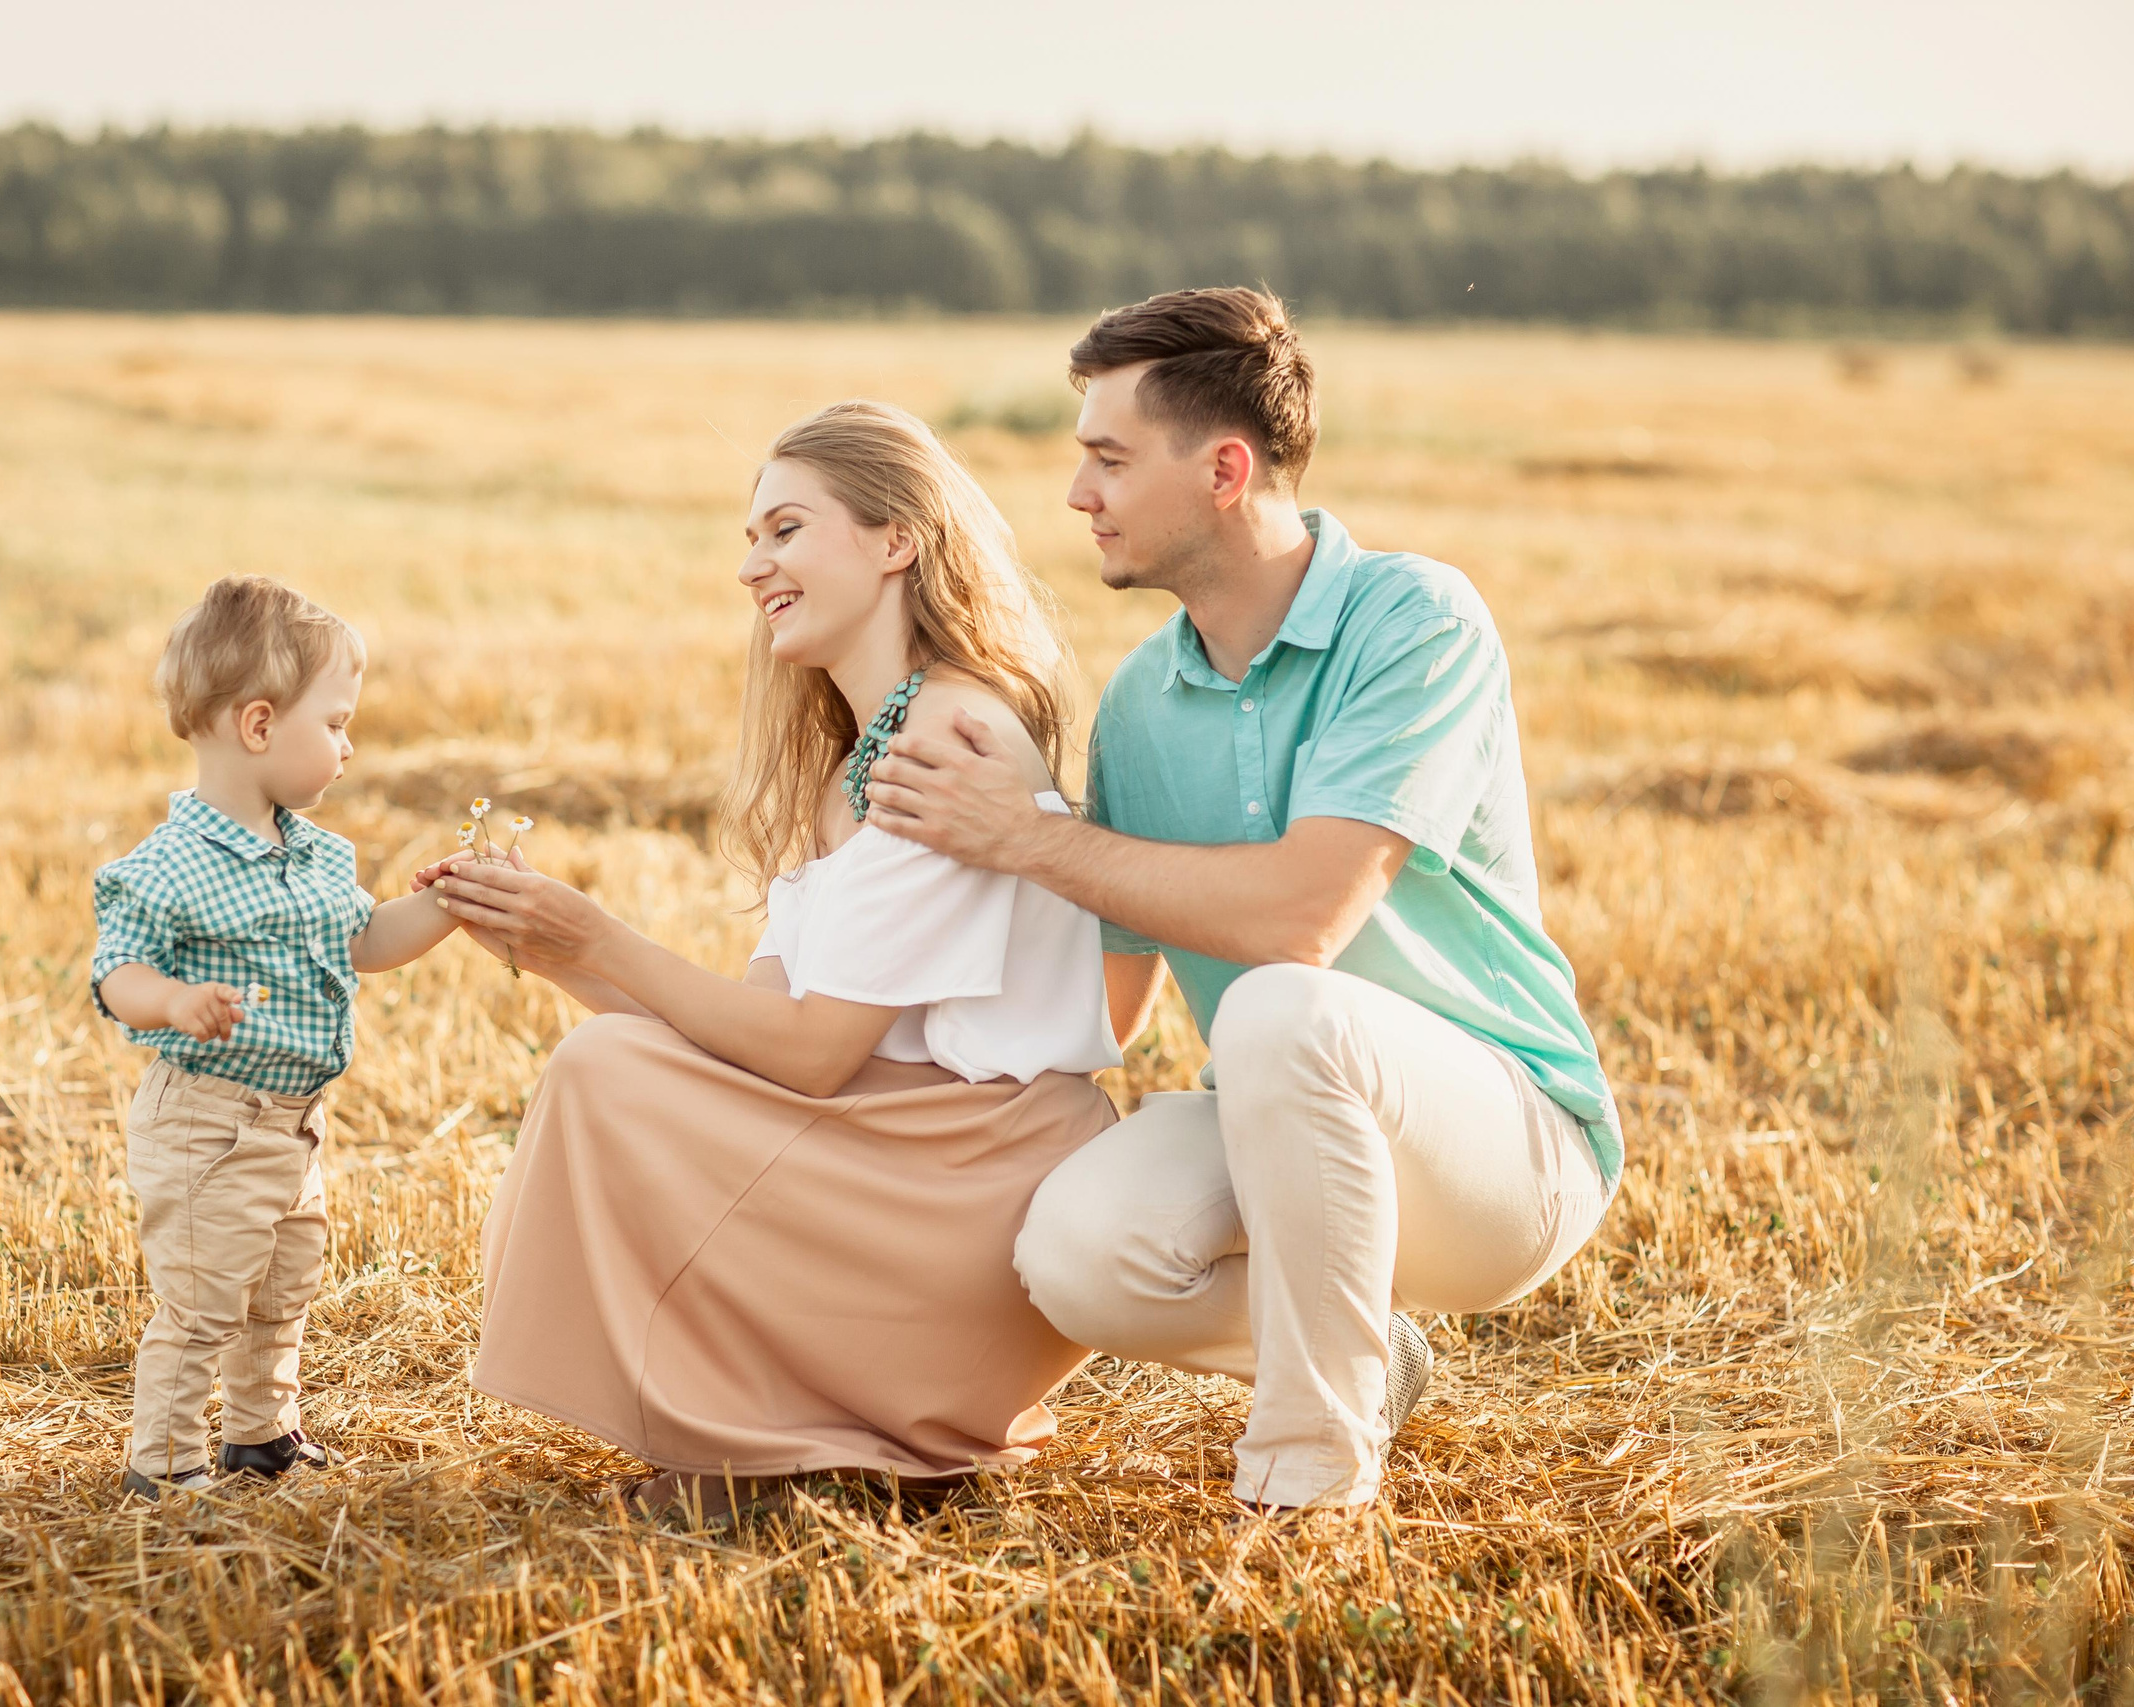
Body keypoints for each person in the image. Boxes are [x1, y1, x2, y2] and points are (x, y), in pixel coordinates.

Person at [864, 288, 1620, 1514]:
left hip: (1506, 1151)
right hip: (1287, 1129)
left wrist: (1029, 841)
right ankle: (1367, 1355)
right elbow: (1101, 1004)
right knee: (1075, 1253)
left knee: (1278, 1003)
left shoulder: (1416, 618)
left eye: (1107, 458)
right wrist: (868, 987)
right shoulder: (1140, 706)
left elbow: (1299, 922)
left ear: (1224, 467)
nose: (1078, 495)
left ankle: (1306, 1484)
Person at [429, 401, 1125, 1523]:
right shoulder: (850, 765)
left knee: (609, 1076)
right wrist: (548, 946)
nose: (753, 567)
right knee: (614, 1065)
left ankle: (781, 1436)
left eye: (784, 531)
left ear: (897, 540)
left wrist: (598, 938)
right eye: (751, 541)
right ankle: (772, 1441)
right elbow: (754, 1026)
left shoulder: (946, 739)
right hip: (896, 1164)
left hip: (970, 1188)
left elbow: (807, 1057)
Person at [92, 576, 465, 1498]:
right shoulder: (171, 865)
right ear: (259, 726)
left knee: (281, 1287)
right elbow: (117, 973)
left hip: (295, 1124)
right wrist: (174, 1001)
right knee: (203, 1299)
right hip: (209, 1124)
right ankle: (165, 1463)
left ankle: (260, 1433)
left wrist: (446, 903)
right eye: (335, 723)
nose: (349, 744)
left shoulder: (317, 854)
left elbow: (367, 940)